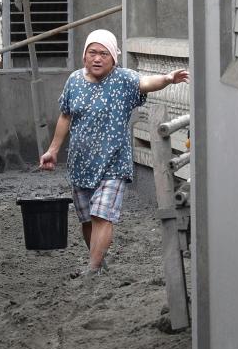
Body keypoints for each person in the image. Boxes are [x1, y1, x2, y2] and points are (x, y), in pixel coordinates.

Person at [39, 29, 189, 277]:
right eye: (92, 53)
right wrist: (53, 150)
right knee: (87, 219)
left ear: (114, 58)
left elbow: (146, 83)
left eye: (103, 54)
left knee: (102, 215)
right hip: (80, 164)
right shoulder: (74, 81)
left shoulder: (123, 80)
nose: (97, 58)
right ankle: (97, 261)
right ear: (84, 56)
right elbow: (65, 116)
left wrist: (168, 79)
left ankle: (92, 268)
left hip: (113, 163)